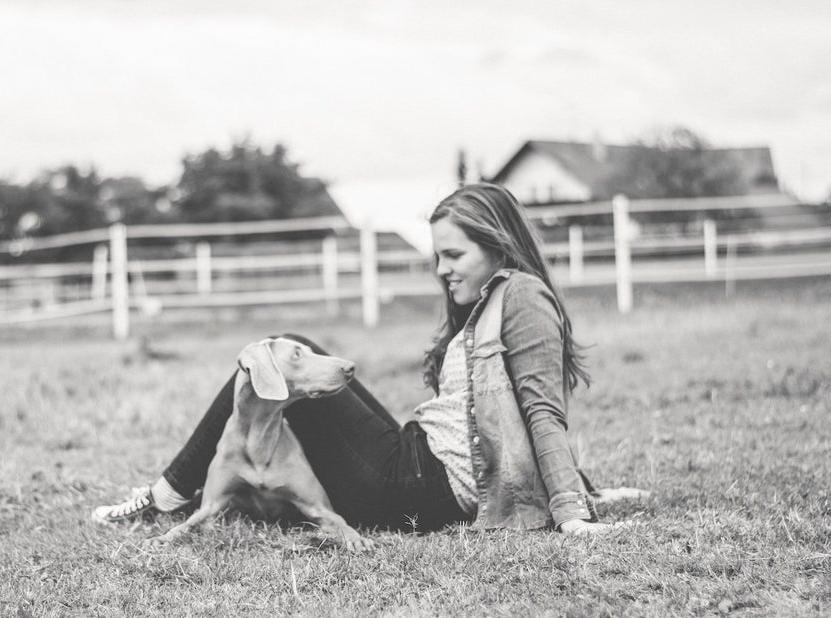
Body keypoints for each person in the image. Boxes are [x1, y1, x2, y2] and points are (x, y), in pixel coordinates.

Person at [94, 183, 615, 535]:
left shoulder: (521, 295)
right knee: (283, 359)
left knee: (280, 350)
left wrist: (571, 510)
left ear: (499, 249)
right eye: (437, 256)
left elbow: (540, 410)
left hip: (414, 488)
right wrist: (586, 490)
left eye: (454, 256)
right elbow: (512, 424)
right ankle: (193, 489)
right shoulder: (492, 300)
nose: (442, 270)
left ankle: (166, 494)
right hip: (415, 462)